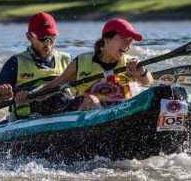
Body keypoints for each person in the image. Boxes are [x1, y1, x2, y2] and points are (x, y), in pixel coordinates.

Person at [16, 18, 154, 111]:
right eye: (123, 39)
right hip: (87, 113)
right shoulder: (82, 62)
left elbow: (148, 82)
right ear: (106, 39)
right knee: (90, 100)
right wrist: (29, 95)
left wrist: (140, 72)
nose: (127, 45)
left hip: (121, 110)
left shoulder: (130, 63)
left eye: (130, 41)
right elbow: (53, 86)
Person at [0, 12, 72, 118]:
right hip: (27, 118)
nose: (48, 44)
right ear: (29, 36)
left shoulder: (67, 59)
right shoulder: (15, 63)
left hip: (64, 114)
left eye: (52, 38)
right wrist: (0, 98)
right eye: (43, 38)